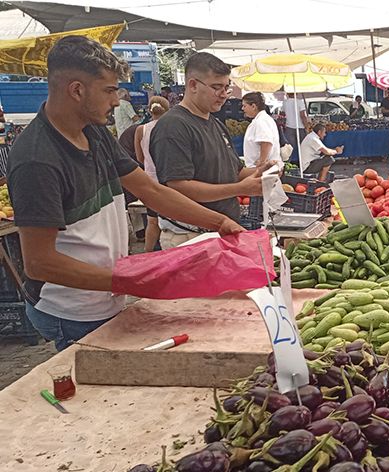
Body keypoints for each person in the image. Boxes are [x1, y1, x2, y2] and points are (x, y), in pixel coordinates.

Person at [7, 36, 244, 351]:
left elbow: (149, 190)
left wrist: (219, 223)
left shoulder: (95, 133)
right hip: (71, 311)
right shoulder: (37, 159)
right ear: (76, 90)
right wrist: (131, 281)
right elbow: (39, 263)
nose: (117, 101)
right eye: (109, 91)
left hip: (107, 296)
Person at [150, 52, 272, 250]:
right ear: (193, 85)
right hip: (190, 237)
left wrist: (261, 172)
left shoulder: (214, 123)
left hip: (220, 232)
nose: (223, 94)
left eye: (226, 88)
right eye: (216, 87)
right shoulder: (173, 126)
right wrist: (240, 189)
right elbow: (178, 187)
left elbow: (236, 172)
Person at [134, 96, 171, 252]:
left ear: (149, 110)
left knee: (152, 221)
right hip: (170, 180)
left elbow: (139, 158)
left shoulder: (141, 130)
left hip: (149, 180)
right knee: (172, 222)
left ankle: (147, 254)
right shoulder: (171, 128)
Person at [241, 91, 283, 169]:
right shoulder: (262, 119)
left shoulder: (261, 121)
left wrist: (262, 162)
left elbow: (266, 142)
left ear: (253, 106)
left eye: (244, 106)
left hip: (261, 170)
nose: (242, 108)